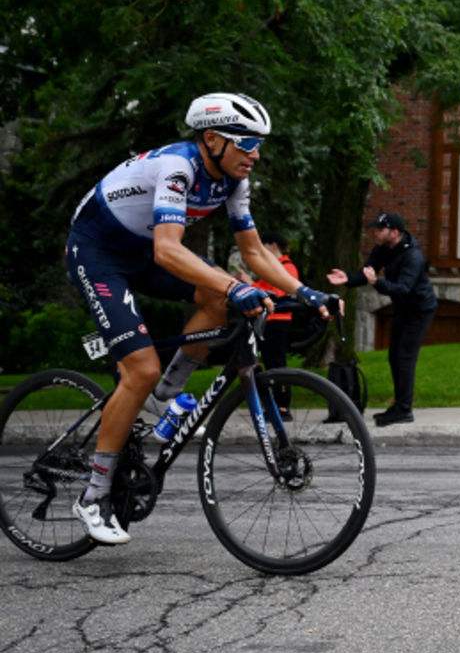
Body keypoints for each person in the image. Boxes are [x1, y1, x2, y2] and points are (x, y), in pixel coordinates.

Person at [65, 92, 332, 545]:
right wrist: (234, 284)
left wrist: (303, 292)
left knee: (216, 301)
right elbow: (168, 249)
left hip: (142, 251)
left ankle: (163, 395)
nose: (255, 154)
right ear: (212, 139)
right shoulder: (179, 167)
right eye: (246, 142)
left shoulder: (232, 182)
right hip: (99, 253)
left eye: (259, 144)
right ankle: (93, 496)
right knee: (141, 367)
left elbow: (252, 253)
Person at [327, 211, 437, 427]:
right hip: (403, 309)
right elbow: (367, 273)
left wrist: (377, 283)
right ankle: (399, 406)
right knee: (394, 356)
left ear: (394, 232)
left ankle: (404, 410)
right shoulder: (383, 249)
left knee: (404, 357)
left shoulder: (412, 256)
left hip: (419, 310)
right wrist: (348, 278)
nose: (375, 233)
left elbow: (403, 289)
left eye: (380, 229)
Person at [251, 232, 300, 418]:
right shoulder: (274, 267)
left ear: (272, 245)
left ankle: (283, 406)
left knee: (277, 363)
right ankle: (275, 405)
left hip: (279, 321)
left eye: (263, 247)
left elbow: (280, 293)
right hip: (269, 321)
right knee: (270, 364)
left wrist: (252, 285)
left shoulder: (286, 267)